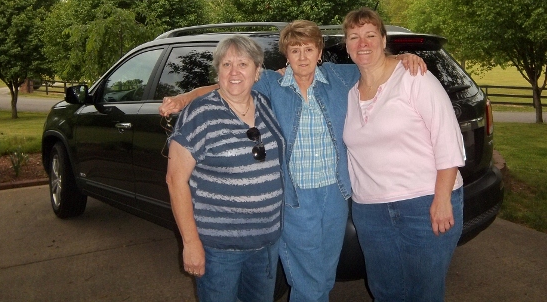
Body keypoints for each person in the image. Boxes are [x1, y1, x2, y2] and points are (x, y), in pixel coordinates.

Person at [160, 20, 426, 302]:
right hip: (296, 198)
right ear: (286, 54)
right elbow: (231, 83)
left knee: (324, 276)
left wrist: (402, 58)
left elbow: (373, 65)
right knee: (308, 281)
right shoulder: (273, 84)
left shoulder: (338, 78)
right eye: (295, 50)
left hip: (336, 195)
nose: (302, 57)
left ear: (319, 52)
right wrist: (186, 97)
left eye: (308, 49)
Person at [341, 8, 465, 302]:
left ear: (383, 40)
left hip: (424, 204)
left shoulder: (414, 78)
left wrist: (443, 199)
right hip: (371, 212)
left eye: (370, 35)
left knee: (424, 293)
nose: (363, 43)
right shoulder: (349, 93)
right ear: (346, 45)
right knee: (385, 291)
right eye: (354, 37)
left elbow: (448, 139)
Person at [165, 35, 284, 302]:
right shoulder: (199, 114)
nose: (234, 72)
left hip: (266, 245)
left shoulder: (266, 105)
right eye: (226, 64)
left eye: (243, 64)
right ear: (217, 71)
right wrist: (191, 243)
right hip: (219, 249)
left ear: (257, 71)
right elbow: (175, 180)